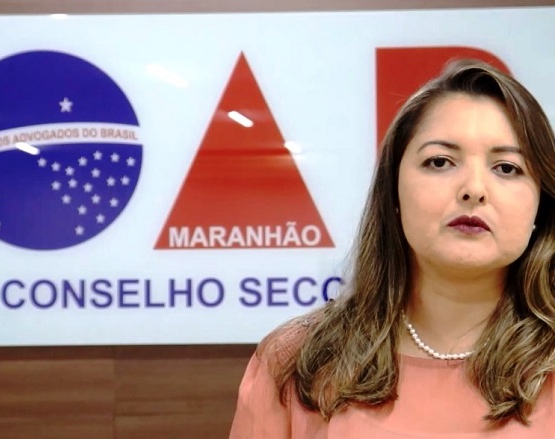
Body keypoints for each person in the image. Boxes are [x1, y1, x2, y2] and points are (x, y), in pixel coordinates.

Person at [228, 59, 554, 438]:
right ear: (394, 192)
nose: (474, 189)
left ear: (542, 205)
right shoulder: (295, 361)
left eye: (507, 168)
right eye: (440, 161)